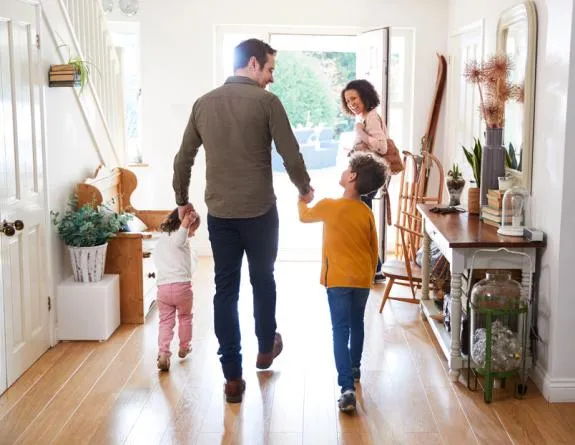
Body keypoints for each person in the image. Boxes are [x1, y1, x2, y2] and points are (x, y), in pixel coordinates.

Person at [172, 38, 314, 403]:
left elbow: (182, 159)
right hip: (261, 213)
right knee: (263, 279)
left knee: (225, 291)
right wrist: (305, 188)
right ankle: (266, 347)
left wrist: (181, 201)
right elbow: (290, 152)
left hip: (221, 215)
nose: (271, 78)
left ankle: (232, 377)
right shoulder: (267, 103)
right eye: (270, 69)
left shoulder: (203, 104)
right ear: (253, 64)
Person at [298, 152, 387, 413]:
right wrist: (370, 276)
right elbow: (374, 249)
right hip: (361, 279)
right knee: (357, 323)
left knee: (340, 330)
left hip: (337, 280)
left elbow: (304, 215)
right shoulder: (366, 213)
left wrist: (302, 199)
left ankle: (346, 387)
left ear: (352, 177)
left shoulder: (328, 205)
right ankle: (355, 368)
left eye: (347, 168)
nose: (344, 170)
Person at [341, 79, 389, 283]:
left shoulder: (371, 117)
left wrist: (361, 134)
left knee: (362, 224)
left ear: (364, 96)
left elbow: (382, 147)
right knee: (363, 223)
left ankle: (374, 268)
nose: (351, 103)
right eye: (347, 100)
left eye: (354, 98)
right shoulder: (364, 118)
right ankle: (374, 268)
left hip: (367, 179)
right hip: (364, 177)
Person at [154, 208, 200, 372]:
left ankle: (163, 353)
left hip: (163, 288)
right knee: (185, 317)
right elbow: (181, 238)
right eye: (193, 230)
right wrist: (186, 223)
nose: (192, 234)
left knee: (165, 322)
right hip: (182, 287)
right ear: (184, 226)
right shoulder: (181, 238)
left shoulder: (161, 240)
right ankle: (184, 346)